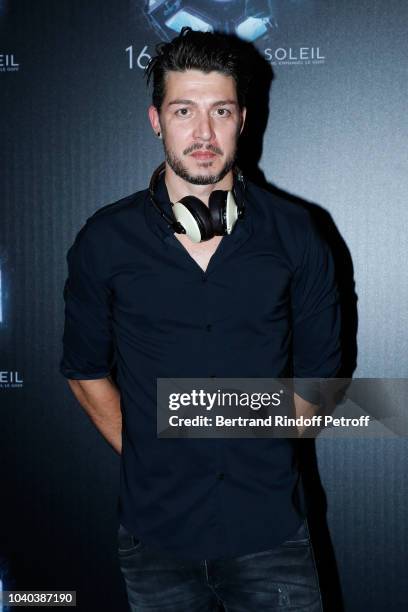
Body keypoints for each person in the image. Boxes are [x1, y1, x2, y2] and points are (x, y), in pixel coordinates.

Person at [60, 27, 341, 612]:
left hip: (273, 539)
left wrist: (257, 447)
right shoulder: (105, 240)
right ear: (156, 120)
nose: (204, 133)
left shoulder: (297, 234)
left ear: (243, 119)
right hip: (155, 543)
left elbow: (323, 371)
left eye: (221, 110)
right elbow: (85, 371)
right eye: (184, 110)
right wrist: (150, 456)